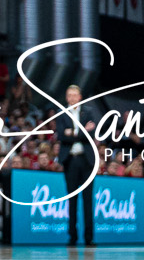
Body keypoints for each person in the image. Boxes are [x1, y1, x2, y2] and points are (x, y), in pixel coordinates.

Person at [54, 84, 97, 245]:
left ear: (80, 97)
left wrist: (72, 132)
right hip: (70, 160)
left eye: (74, 95)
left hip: (87, 160)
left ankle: (89, 237)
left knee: (88, 200)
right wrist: (81, 131)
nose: (72, 98)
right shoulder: (61, 113)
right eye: (69, 95)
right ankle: (72, 236)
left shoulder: (89, 112)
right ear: (66, 97)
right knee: (72, 200)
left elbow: (91, 134)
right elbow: (61, 135)